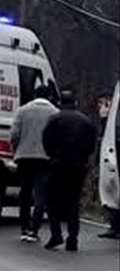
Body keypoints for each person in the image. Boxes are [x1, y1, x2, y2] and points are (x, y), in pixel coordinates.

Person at [41, 87, 98, 252]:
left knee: (52, 201)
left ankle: (56, 234)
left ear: (60, 103)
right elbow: (91, 144)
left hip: (58, 164)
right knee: (73, 202)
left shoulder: (54, 119)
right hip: (78, 165)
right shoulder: (85, 121)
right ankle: (72, 238)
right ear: (75, 103)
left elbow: (46, 140)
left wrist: (52, 156)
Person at [10, 81, 58, 242]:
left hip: (24, 156)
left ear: (34, 95)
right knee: (40, 194)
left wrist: (16, 150)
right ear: (49, 96)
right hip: (45, 158)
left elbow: (14, 134)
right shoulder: (54, 113)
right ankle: (34, 229)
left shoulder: (22, 111)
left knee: (24, 193)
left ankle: (23, 227)